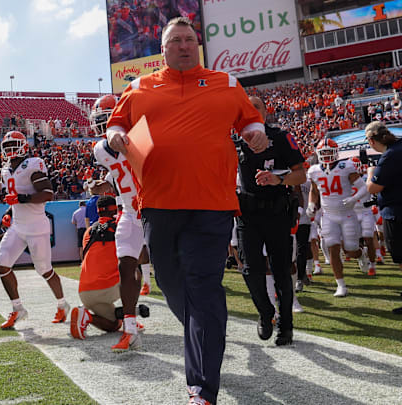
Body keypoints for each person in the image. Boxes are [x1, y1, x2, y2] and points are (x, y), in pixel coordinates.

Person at [106, 17, 268, 405]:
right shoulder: (139, 86)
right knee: (169, 282)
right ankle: (203, 332)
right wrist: (114, 136)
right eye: (175, 40)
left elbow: (250, 119)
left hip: (213, 205)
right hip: (159, 205)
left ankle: (202, 388)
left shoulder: (226, 83)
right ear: (161, 49)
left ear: (198, 46)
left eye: (190, 40)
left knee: (204, 287)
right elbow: (115, 125)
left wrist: (256, 131)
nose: (183, 45)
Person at [235, 96, 306, 346]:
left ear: (265, 112)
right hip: (247, 215)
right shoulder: (233, 140)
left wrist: (279, 180)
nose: (252, 113)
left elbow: (301, 174)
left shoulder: (281, 137)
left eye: (257, 108)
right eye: (247, 109)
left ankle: (285, 327)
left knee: (282, 272)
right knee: (249, 269)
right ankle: (266, 312)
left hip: (276, 212)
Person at [91, 93, 152, 351]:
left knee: (177, 269)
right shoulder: (100, 149)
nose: (102, 124)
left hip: (157, 207)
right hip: (129, 210)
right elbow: (119, 180)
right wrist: (101, 186)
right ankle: (129, 328)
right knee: (126, 265)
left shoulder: (143, 134)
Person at [0, 130, 69, 329]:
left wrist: (21, 199)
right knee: (2, 264)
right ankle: (17, 308)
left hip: (37, 227)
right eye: (7, 147)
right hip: (17, 226)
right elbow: (14, 198)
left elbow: (47, 193)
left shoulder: (33, 164)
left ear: (24, 147)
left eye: (13, 146)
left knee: (44, 270)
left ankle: (62, 305)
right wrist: (9, 211)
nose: (10, 150)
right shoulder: (5, 170)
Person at [307, 139, 366, 297]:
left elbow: (363, 187)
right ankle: (341, 285)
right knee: (333, 247)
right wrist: (311, 204)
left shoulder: (345, 167)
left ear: (335, 152)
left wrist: (354, 199)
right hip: (328, 215)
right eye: (323, 152)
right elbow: (314, 190)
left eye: (328, 151)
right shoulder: (314, 170)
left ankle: (361, 254)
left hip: (347, 214)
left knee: (350, 250)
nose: (326, 155)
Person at [71, 195, 123, 339]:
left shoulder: (88, 232)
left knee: (114, 325)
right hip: (107, 288)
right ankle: (130, 315)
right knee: (135, 272)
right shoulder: (120, 228)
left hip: (85, 292)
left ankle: (87, 317)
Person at [364, 121, 402, 314]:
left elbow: (373, 187)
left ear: (371, 140)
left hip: (396, 212)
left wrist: (370, 173)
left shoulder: (389, 156)